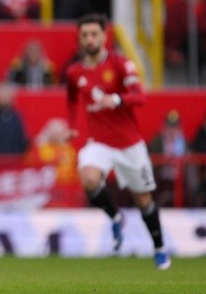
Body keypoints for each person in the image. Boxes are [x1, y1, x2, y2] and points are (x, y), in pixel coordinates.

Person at [65, 13, 170, 270]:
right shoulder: (74, 72)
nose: (89, 39)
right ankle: (115, 217)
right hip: (98, 142)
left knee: (143, 199)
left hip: (129, 144)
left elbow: (140, 96)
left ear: (104, 36)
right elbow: (71, 98)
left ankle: (159, 248)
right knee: (88, 178)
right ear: (80, 39)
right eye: (85, 35)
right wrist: (71, 126)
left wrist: (117, 99)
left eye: (94, 34)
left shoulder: (121, 64)